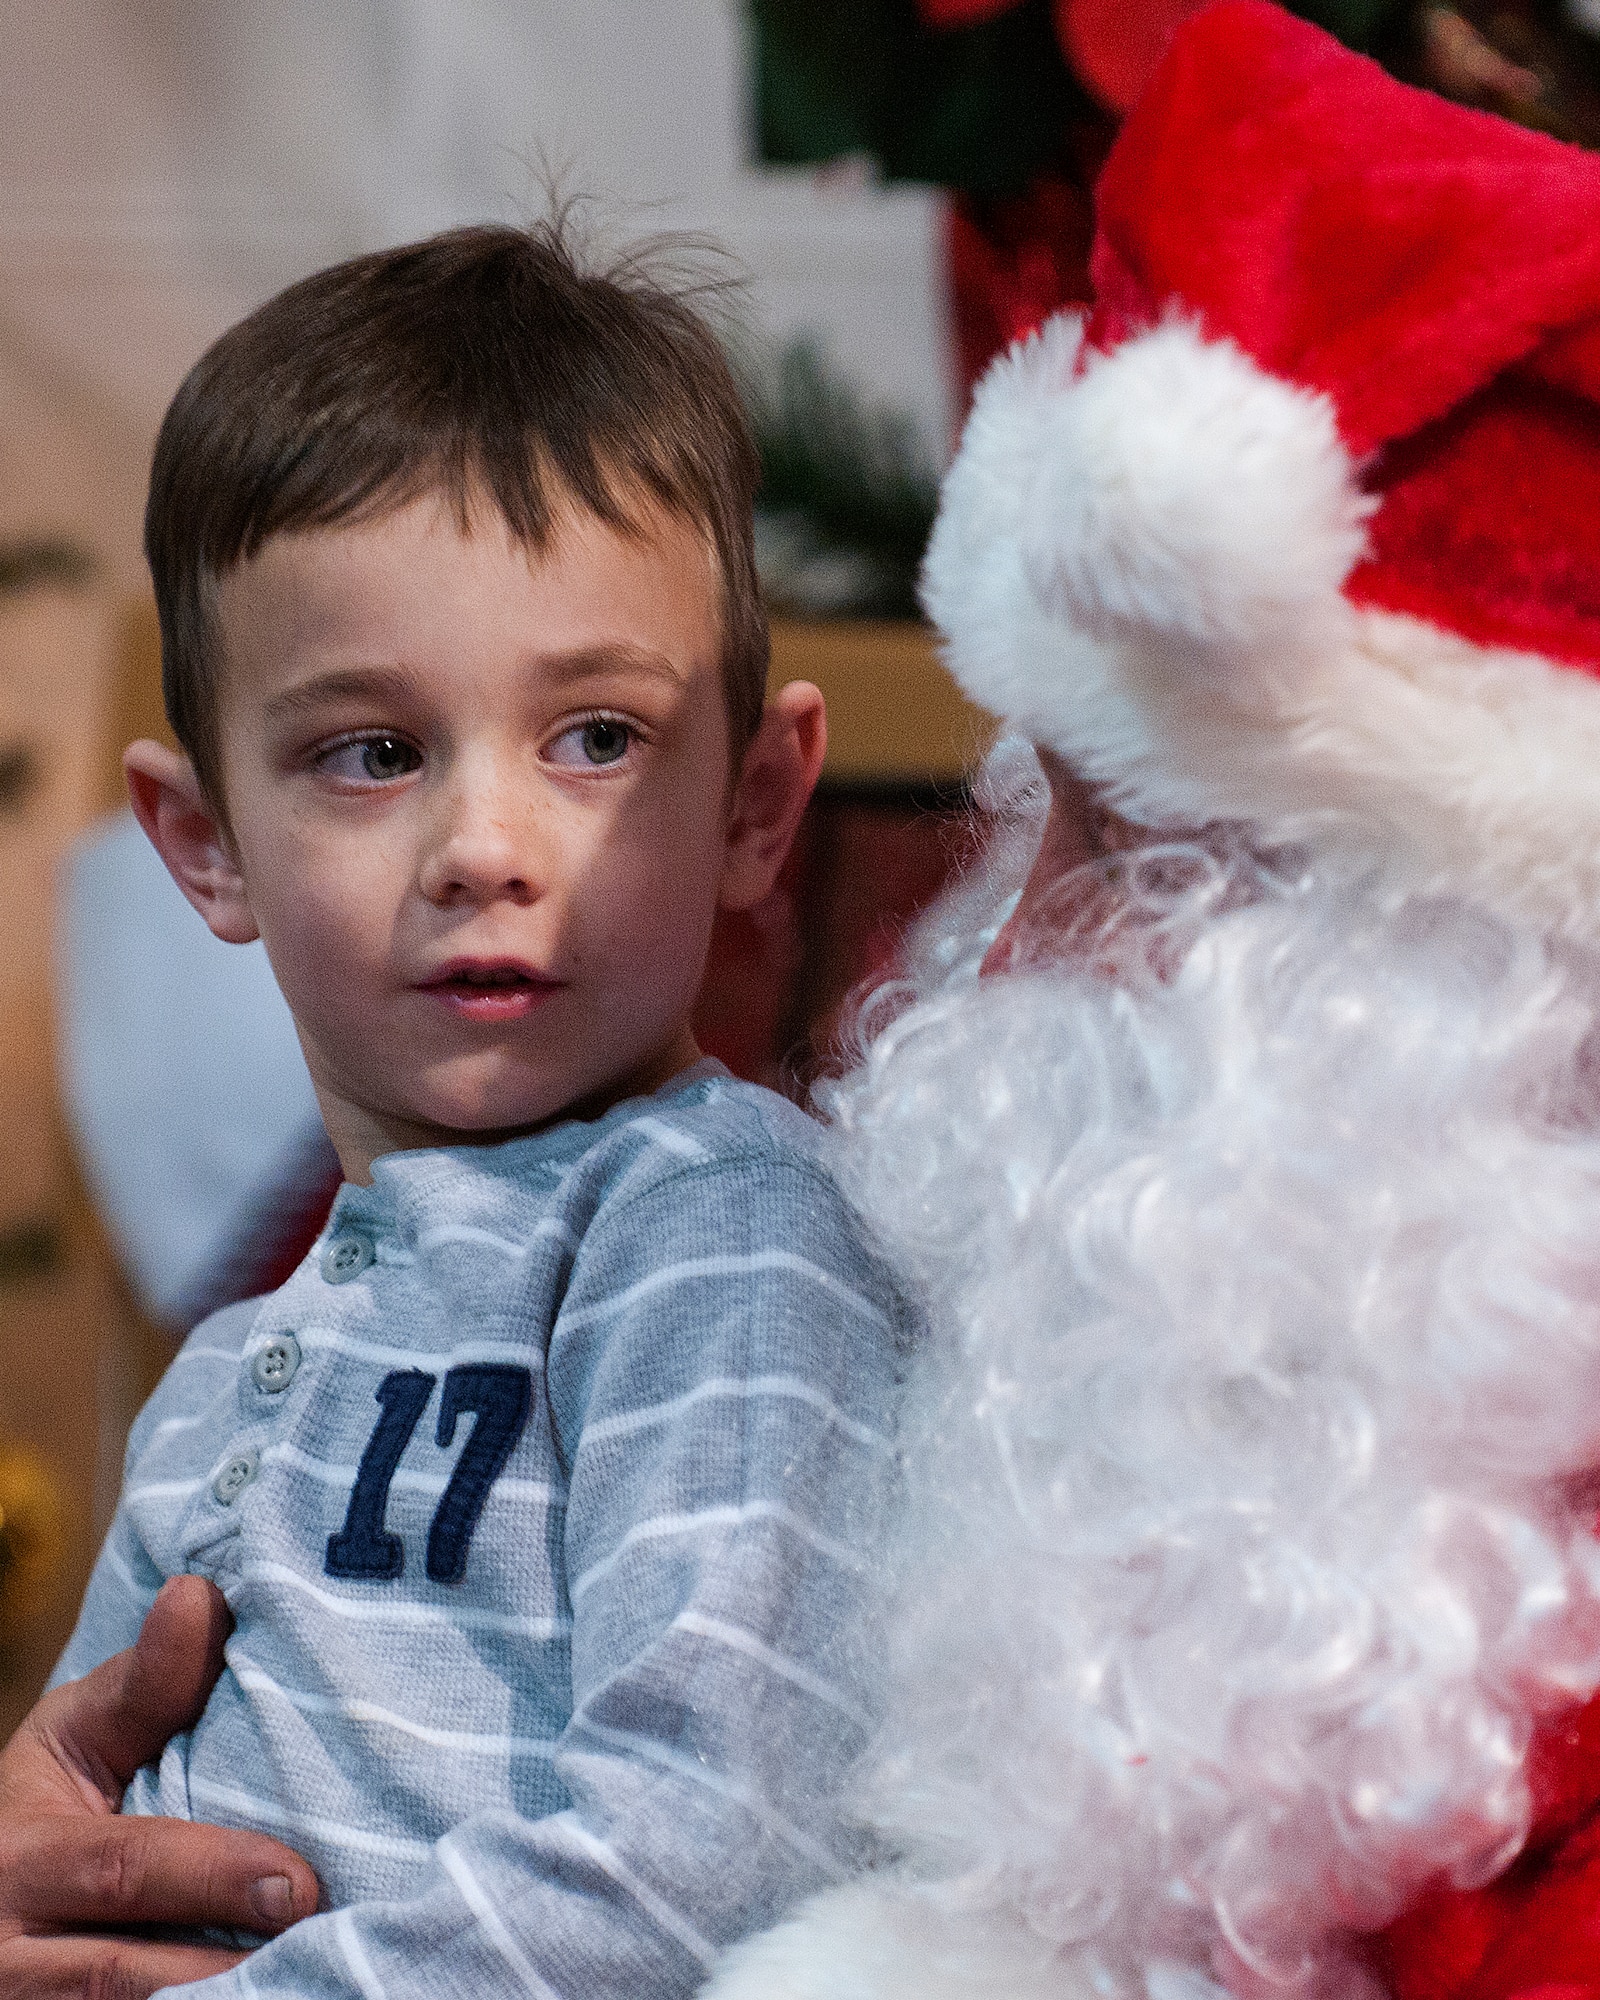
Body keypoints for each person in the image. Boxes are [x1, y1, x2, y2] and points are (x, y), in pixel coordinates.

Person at [701, 4, 1600, 1998]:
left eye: (1134, 867)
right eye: (1030, 829)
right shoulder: (1015, 1362)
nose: (997, 955)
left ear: (1443, 981)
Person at [2, 220, 903, 1999]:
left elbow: (719, 1851)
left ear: (756, 799)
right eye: (372, 752)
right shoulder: (219, 1385)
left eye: (596, 738)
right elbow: (69, 1836)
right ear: (208, 846)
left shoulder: (718, 1237)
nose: (485, 853)